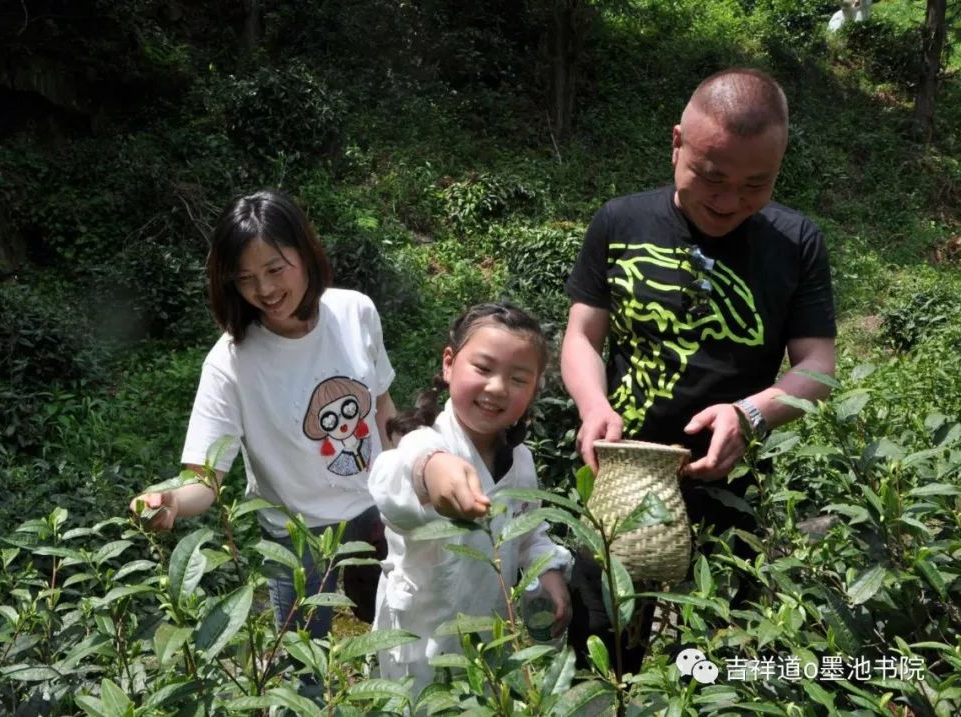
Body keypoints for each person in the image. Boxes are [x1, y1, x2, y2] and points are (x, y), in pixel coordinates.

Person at [560, 68, 837, 668]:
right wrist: (593, 407)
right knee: (600, 656)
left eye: (755, 184)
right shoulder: (620, 222)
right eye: (711, 177)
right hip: (619, 481)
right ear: (676, 142)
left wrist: (751, 414)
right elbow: (582, 336)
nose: (729, 201)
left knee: (717, 661)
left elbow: (818, 364)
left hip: (729, 491)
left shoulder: (797, 242)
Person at [130, 189, 397, 638]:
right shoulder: (230, 363)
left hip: (375, 506)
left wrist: (407, 479)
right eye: (246, 278)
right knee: (303, 662)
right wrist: (171, 501)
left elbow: (384, 406)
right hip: (298, 537)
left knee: (394, 627)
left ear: (306, 253)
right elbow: (204, 479)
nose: (266, 290)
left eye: (275, 269)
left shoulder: (355, 311)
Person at [369, 302, 573, 692]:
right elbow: (389, 481)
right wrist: (431, 469)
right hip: (420, 645)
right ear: (449, 364)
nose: (497, 388)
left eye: (518, 378)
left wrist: (547, 570)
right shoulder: (428, 441)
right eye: (483, 368)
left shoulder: (520, 461)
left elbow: (529, 531)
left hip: (490, 637)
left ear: (533, 391)